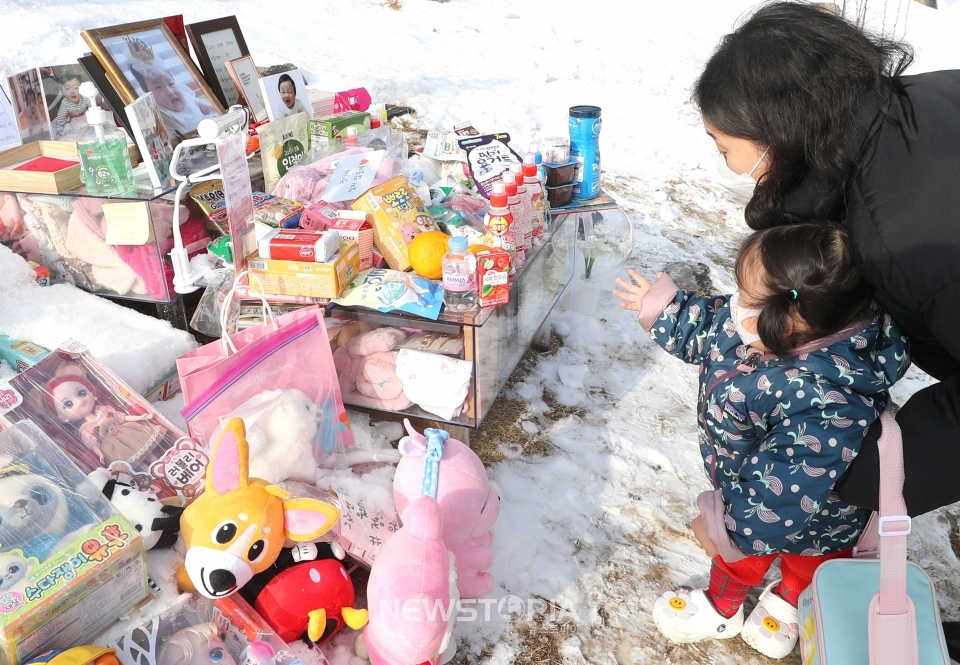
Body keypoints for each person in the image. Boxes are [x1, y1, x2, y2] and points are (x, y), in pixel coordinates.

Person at [613, 223, 909, 659]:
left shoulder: (826, 403)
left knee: (790, 561)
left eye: (745, 296)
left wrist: (726, 529)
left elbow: (783, 490)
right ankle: (727, 606)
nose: (733, 305)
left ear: (786, 321)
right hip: (747, 486)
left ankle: (788, 600)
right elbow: (712, 326)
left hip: (814, 517)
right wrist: (666, 308)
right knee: (745, 558)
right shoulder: (759, 328)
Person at [124, 36, 217, 136]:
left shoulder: (185, 96)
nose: (170, 91)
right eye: (159, 87)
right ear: (147, 92)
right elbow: (185, 135)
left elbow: (212, 108)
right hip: (200, 138)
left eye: (171, 84)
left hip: (213, 127)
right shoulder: (162, 114)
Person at [52, 74, 89, 139]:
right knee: (67, 127)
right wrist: (60, 127)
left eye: (76, 88)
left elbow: (92, 106)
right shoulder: (65, 103)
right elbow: (61, 116)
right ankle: (63, 132)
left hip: (82, 115)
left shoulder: (84, 98)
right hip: (70, 118)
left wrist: (89, 110)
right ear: (63, 92)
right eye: (67, 88)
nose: (72, 91)